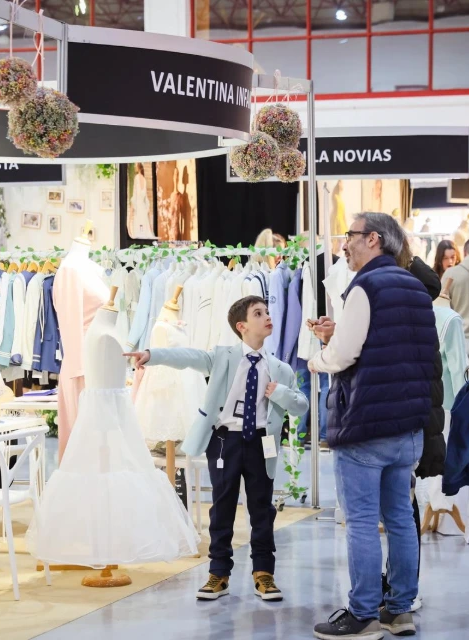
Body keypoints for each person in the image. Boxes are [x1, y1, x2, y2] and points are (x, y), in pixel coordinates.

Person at [125, 296, 308, 602]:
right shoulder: (223, 356)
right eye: (258, 313)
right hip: (225, 442)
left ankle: (264, 574)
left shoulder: (280, 369)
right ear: (242, 326)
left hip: (262, 443)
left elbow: (300, 405)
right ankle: (218, 573)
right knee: (222, 507)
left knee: (262, 509)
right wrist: (152, 355)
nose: (267, 317)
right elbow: (188, 357)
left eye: (267, 312)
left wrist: (280, 393)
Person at [309, 212, 435, 640]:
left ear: (374, 239)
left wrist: (318, 359)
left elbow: (345, 355)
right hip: (407, 425)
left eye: (351, 235)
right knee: (399, 518)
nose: (345, 244)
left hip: (365, 424)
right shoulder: (415, 287)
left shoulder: (365, 286)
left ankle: (362, 614)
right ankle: (399, 610)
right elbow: (396, 348)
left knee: (361, 521)